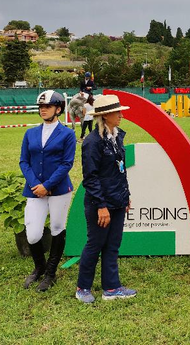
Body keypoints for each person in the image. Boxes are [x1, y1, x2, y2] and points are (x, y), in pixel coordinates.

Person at [75, 94, 136, 303]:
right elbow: (90, 178)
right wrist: (101, 206)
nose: (120, 115)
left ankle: (111, 288)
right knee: (95, 244)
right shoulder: (93, 142)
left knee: (113, 245)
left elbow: (120, 171)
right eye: (117, 112)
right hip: (100, 203)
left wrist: (125, 196)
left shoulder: (117, 137)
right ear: (106, 115)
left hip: (117, 201)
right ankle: (82, 287)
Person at [19, 90, 76, 292]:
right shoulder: (30, 133)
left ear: (58, 109)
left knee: (57, 228)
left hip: (59, 189)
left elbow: (66, 163)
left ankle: (50, 273)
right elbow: (24, 161)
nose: (43, 110)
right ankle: (39, 267)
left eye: (47, 106)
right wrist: (37, 185)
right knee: (33, 233)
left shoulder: (68, 134)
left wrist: (48, 185)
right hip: (34, 190)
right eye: (41, 107)